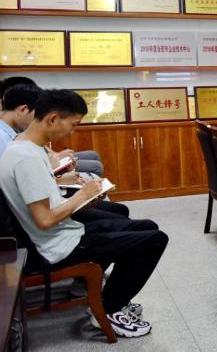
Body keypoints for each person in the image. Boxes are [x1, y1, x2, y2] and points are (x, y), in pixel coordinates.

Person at [0, 89, 168, 338]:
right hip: (57, 247)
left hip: (64, 232)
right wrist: (81, 196)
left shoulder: (23, 146)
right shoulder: (27, 158)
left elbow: (48, 203)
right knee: (155, 240)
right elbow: (44, 220)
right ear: (53, 118)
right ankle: (108, 309)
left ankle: (110, 296)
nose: (72, 132)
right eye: (73, 124)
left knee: (145, 227)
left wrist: (87, 200)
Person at [0, 76, 105, 176]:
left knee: (92, 157)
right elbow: (22, 173)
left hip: (45, 169)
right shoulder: (6, 138)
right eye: (37, 111)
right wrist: (60, 177)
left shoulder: (15, 132)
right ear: (23, 109)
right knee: (95, 168)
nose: (38, 116)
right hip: (44, 171)